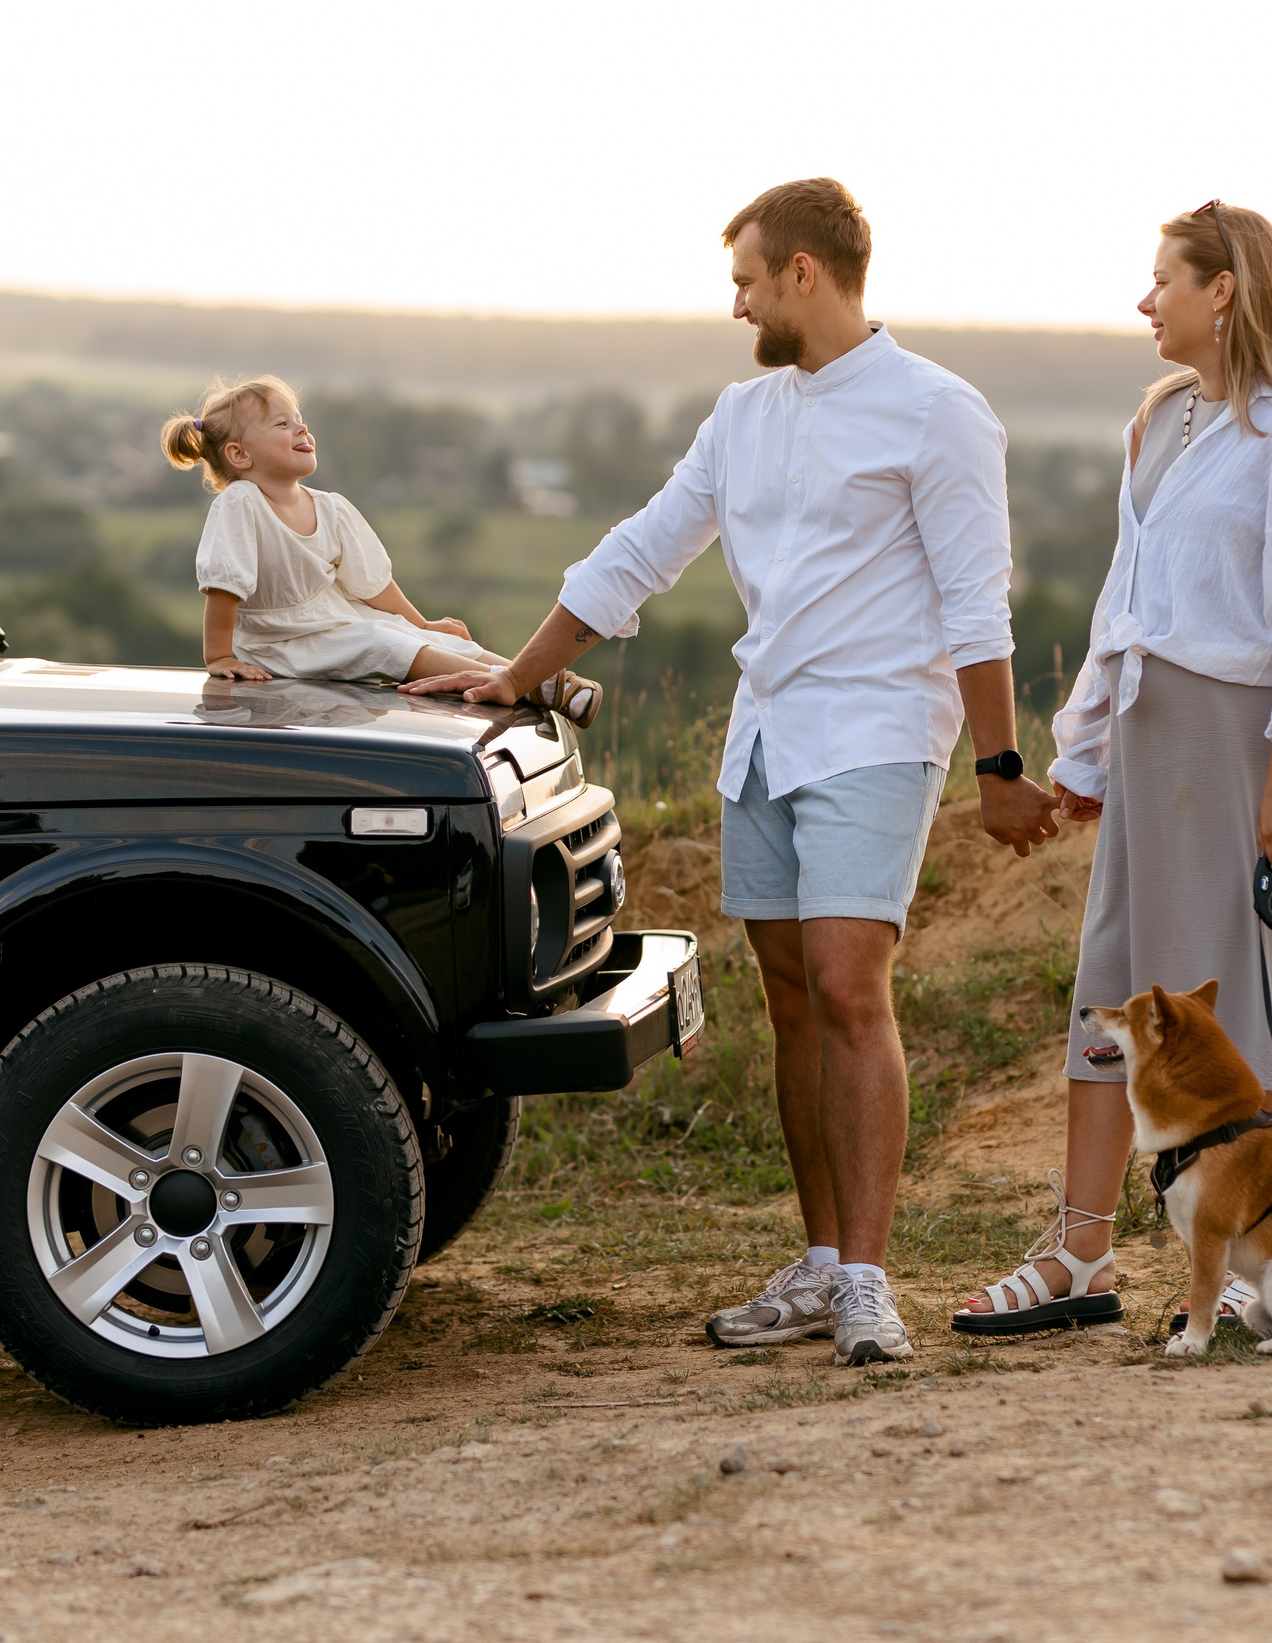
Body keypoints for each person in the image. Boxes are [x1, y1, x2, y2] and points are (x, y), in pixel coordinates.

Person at [408, 178, 1062, 1364]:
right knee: (793, 1001)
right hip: (763, 738)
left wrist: (1001, 763)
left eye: (748, 281)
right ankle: (819, 1265)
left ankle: (867, 1278)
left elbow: (976, 599)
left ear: (802, 274)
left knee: (851, 988)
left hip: (875, 733)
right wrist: (517, 672)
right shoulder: (744, 415)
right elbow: (643, 550)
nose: (738, 304)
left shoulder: (938, 412)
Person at [953, 201, 1272, 1335]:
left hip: (1240, 737)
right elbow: (1125, 597)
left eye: (1163, 282)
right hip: (1150, 734)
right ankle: (1079, 1256)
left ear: (1225, 290)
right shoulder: (1159, 416)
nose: (1144, 303)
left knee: (1221, 1011)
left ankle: (1247, 1273)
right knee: (1112, 996)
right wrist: (1084, 746)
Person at [164, 375, 599, 722]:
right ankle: (525, 685)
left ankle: (539, 675)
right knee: (380, 643)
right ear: (240, 455)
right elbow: (224, 584)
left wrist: (422, 623)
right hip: (286, 642)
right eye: (282, 424)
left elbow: (375, 587)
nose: (301, 427)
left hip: (337, 623)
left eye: (300, 419)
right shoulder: (241, 502)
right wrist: (220, 656)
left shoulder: (330, 508)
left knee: (403, 635)